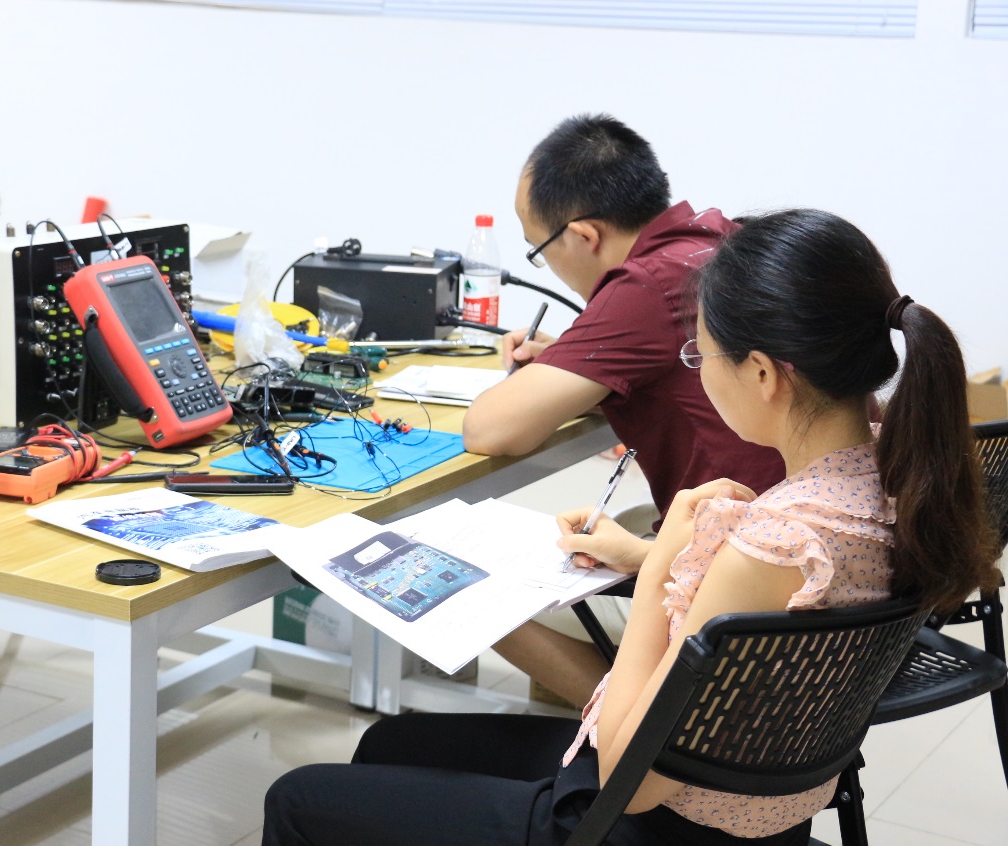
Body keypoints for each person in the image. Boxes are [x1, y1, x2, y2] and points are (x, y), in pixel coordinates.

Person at [262, 209, 1001, 846]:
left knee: (296, 799)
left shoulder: (773, 545)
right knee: (392, 740)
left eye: (700, 354)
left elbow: (631, 780)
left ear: (763, 374)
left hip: (642, 824)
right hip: (756, 804)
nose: (696, 371)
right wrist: (655, 553)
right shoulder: (895, 477)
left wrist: (660, 571)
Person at [463, 114, 785, 705]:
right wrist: (577, 358)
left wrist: (574, 358)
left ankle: (645, 732)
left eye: (539, 250)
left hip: (744, 593)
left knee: (474, 585)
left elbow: (487, 430)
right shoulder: (723, 239)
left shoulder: (647, 285)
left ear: (584, 235)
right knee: (616, 522)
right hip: (793, 556)